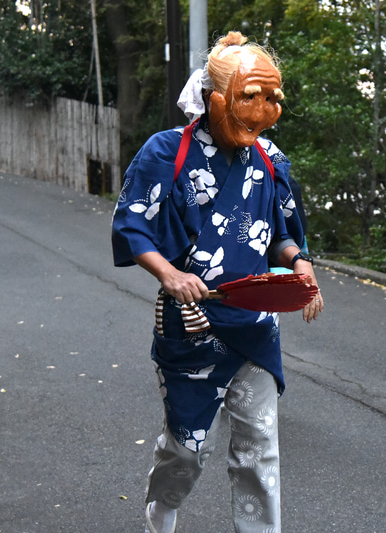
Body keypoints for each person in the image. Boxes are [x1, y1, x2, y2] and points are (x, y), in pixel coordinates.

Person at [111, 31, 324, 533]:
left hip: (254, 323)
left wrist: (300, 263)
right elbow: (132, 224)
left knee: (259, 447)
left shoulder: (271, 159)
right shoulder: (166, 151)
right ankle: (162, 508)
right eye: (250, 97)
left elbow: (282, 233)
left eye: (272, 99)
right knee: (188, 449)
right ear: (214, 98)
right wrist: (169, 273)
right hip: (192, 322)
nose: (264, 111)